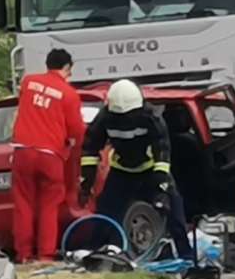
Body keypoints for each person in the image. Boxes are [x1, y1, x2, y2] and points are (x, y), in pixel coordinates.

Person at [80, 79, 193, 258]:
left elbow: (162, 152)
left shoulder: (151, 118)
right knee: (106, 213)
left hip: (150, 170)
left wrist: (162, 187)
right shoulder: (105, 118)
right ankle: (97, 255)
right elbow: (90, 147)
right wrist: (87, 181)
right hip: (121, 171)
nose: (125, 120)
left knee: (174, 210)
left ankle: (187, 257)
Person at [11, 48, 85, 263]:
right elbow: (76, 131)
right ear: (67, 68)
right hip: (50, 155)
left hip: (23, 151)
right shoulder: (69, 94)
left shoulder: (28, 82)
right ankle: (45, 254)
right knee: (49, 205)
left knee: (23, 203)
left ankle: (24, 254)